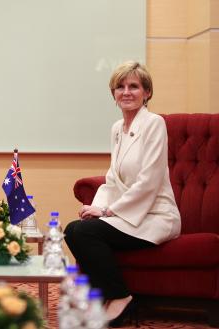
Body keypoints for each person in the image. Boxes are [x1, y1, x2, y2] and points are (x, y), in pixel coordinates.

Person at [64, 61, 181, 327]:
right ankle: (101, 297)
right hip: (128, 214)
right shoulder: (118, 128)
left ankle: (120, 297)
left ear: (147, 92)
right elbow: (112, 179)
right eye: (120, 86)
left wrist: (106, 211)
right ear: (113, 93)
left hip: (155, 215)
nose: (126, 92)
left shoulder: (154, 124)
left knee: (83, 232)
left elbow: (149, 181)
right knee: (74, 229)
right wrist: (94, 207)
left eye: (134, 86)